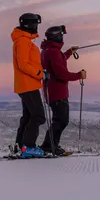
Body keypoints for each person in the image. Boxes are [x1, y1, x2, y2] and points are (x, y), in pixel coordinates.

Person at [39, 25, 87, 156]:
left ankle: (51, 145)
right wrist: (79, 75)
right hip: (57, 92)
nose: (62, 37)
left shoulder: (48, 50)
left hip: (52, 92)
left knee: (59, 120)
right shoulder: (53, 52)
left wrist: (69, 52)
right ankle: (49, 146)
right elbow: (61, 74)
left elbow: (58, 61)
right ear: (57, 36)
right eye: (61, 35)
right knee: (61, 120)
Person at [11, 12, 47, 158]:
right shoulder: (23, 41)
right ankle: (28, 147)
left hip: (27, 84)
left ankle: (20, 146)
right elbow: (23, 64)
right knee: (38, 116)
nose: (36, 27)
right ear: (30, 25)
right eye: (35, 24)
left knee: (28, 116)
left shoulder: (23, 40)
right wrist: (41, 74)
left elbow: (27, 63)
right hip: (28, 85)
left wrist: (39, 72)